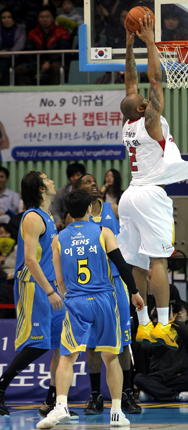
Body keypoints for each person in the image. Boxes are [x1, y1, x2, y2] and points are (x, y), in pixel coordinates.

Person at [118, 15, 188, 349]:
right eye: (145, 101)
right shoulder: (150, 121)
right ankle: (164, 324)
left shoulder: (129, 123)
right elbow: (153, 80)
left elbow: (131, 81)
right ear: (142, 108)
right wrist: (150, 41)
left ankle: (142, 324)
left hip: (129, 194)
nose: (148, 99)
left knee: (137, 262)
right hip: (150, 194)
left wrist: (128, 43)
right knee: (159, 261)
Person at [36, 189, 144, 429]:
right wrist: (135, 292)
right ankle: (116, 411)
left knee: (67, 357)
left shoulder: (59, 239)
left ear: (69, 214)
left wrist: (67, 296)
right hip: (104, 300)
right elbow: (121, 265)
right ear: (89, 209)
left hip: (75, 301)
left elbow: (60, 279)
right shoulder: (103, 232)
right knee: (111, 357)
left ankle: (61, 405)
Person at [74, 174, 141, 414]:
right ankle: (95, 396)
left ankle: (126, 394)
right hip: (91, 288)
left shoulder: (112, 208)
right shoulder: (76, 219)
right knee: (93, 345)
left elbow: (133, 231)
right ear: (78, 191)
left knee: (123, 342)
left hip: (115, 282)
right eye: (87, 182)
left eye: (94, 181)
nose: (93, 184)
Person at [0, 171, 65, 418]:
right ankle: (1, 387)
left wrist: (59, 287)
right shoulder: (33, 217)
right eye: (47, 178)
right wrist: (49, 291)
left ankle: (51, 402)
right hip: (34, 285)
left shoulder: (48, 216)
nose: (51, 180)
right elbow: (29, 259)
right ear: (39, 188)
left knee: (62, 344)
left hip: (52, 287)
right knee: (38, 344)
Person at [134, 300, 188, 403]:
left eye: (181, 311)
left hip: (178, 377)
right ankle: (177, 396)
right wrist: (154, 321)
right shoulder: (158, 331)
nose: (177, 313)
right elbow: (146, 345)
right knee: (138, 378)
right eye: (173, 311)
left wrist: (174, 321)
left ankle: (154, 394)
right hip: (157, 377)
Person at [15, 6, 70, 86]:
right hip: (37, 62)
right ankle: (29, 94)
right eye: (42, 17)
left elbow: (63, 50)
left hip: (55, 61)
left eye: (47, 17)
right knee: (19, 69)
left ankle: (54, 92)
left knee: (56, 67)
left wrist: (49, 62)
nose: (45, 19)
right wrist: (36, 63)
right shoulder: (32, 33)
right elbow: (29, 51)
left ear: (52, 18)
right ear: (38, 19)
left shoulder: (62, 32)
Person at [49, 162, 86, 231]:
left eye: (78, 175)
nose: (75, 178)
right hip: (65, 225)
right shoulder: (61, 192)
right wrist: (58, 221)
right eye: (72, 176)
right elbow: (55, 210)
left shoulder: (87, 191)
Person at [0, 8, 26, 85]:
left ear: (13, 18)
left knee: (5, 64)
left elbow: (20, 44)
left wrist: (10, 53)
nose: (6, 20)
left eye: (9, 17)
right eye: (3, 18)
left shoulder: (21, 28)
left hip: (17, 57)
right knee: (5, 65)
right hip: (1, 56)